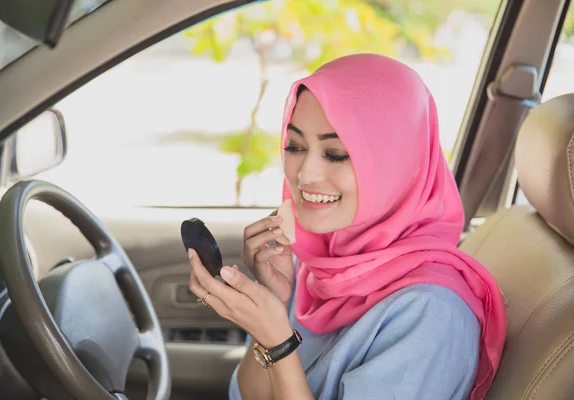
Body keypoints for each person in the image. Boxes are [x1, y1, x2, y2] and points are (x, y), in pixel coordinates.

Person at [188, 53, 506, 400]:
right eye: (295, 146)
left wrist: (279, 342)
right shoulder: (313, 269)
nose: (304, 174)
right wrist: (272, 309)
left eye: (336, 153)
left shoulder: (430, 313)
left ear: (395, 164)